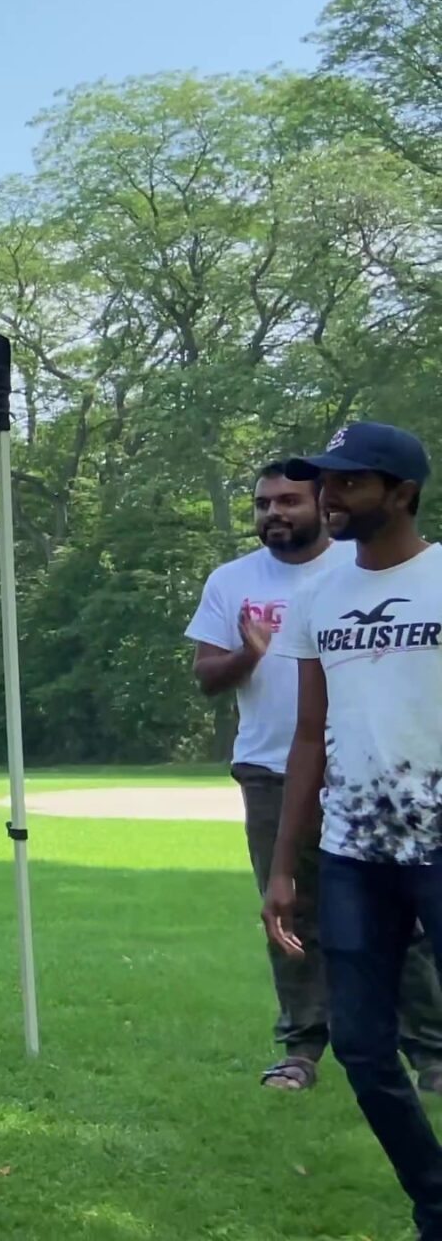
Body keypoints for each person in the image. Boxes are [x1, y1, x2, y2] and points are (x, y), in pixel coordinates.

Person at [193, 462, 442, 1093]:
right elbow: (206, 677)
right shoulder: (232, 581)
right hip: (272, 768)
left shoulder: (364, 568)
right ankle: (301, 1048)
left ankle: (430, 1051)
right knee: (291, 914)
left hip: (375, 770)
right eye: (263, 503)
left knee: (406, 917)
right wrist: (249, 653)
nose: (274, 513)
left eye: (289, 501)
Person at [264, 421, 442, 1240]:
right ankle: (435, 1205)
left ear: (402, 493)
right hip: (354, 854)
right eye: (325, 482)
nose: (329, 496)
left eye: (350, 482)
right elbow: (310, 735)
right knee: (365, 1051)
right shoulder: (320, 597)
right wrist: (283, 866)